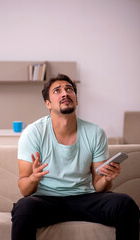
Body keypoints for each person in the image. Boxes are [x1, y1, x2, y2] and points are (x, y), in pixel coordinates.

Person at [11, 74, 139, 240]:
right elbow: (24, 188)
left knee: (125, 204)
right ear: (48, 103)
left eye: (69, 89)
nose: (65, 93)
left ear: (76, 100)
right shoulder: (33, 133)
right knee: (24, 208)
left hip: (85, 198)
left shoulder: (95, 132)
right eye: (57, 91)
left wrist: (107, 179)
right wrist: (34, 178)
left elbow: (99, 186)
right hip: (46, 200)